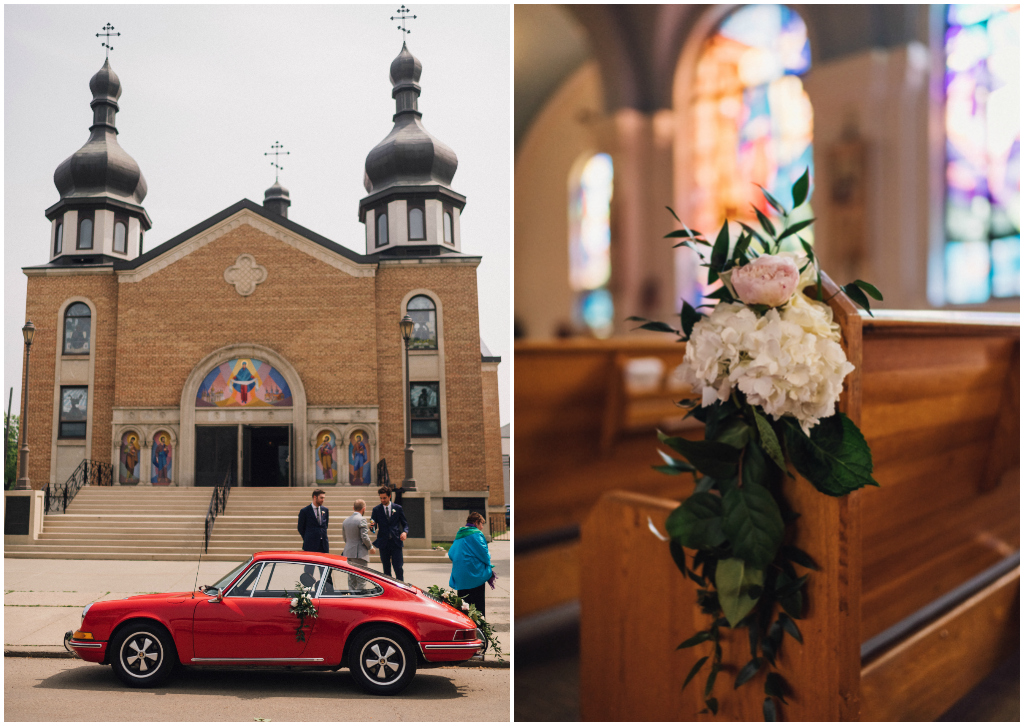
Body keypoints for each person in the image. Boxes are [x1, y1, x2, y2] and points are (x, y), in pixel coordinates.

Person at [448, 512, 496, 615]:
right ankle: (478, 629)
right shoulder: (476, 534)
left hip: (460, 577)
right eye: (481, 524)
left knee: (463, 607)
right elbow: (484, 554)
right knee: (477, 607)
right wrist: (488, 558)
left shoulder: (459, 533)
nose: (482, 527)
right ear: (476, 522)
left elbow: (451, 553)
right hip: (474, 576)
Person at [371, 485, 408, 580]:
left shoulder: (398, 508)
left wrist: (405, 532)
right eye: (381, 498)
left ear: (389, 496)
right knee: (386, 570)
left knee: (398, 567)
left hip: (396, 542)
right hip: (383, 543)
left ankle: (401, 589)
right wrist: (372, 527)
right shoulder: (376, 510)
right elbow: (373, 528)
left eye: (384, 498)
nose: (382, 500)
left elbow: (405, 524)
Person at [342, 499, 376, 589]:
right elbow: (364, 537)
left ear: (353, 508)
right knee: (362, 579)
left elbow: (345, 538)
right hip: (359, 554)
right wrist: (370, 547)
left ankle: (351, 599)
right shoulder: (362, 520)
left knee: (351, 580)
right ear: (363, 509)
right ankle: (359, 600)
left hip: (348, 553)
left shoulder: (345, 521)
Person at [297, 489, 330, 553]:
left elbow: (325, 525)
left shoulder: (325, 510)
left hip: (323, 545)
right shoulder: (305, 511)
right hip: (310, 545)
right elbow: (300, 528)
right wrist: (308, 537)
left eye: (324, 498)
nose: (323, 500)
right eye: (321, 498)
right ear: (315, 497)